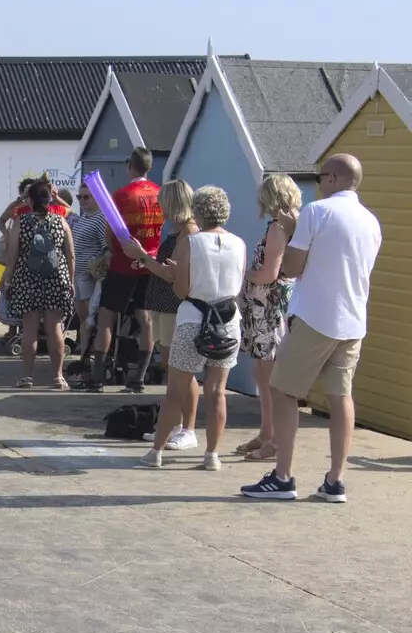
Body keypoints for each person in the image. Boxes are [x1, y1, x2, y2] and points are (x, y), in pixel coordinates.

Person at [243, 154, 382, 502]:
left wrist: (291, 231)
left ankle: (283, 476)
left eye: (321, 177)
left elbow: (290, 268)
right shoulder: (371, 221)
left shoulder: (316, 213)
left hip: (316, 316)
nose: (317, 184)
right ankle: (335, 481)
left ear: (333, 179)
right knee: (341, 397)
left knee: (284, 391)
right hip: (353, 322)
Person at [141, 187, 245, 470]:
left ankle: (156, 452)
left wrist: (178, 272)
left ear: (198, 211)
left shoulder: (191, 242)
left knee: (175, 390)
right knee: (217, 392)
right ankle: (212, 454)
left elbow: (181, 289)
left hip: (193, 318)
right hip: (227, 321)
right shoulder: (239, 243)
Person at [125, 180, 200, 443]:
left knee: (182, 369)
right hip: (165, 307)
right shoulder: (179, 231)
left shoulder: (188, 233)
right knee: (173, 368)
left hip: (174, 307)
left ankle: (188, 429)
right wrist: (147, 257)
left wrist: (144, 257)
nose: (159, 208)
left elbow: (172, 275)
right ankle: (176, 425)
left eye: (162, 203)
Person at [233, 174, 302, 463]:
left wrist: (241, 276)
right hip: (273, 306)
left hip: (267, 308)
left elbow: (270, 274)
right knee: (263, 374)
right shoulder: (296, 224)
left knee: (267, 374)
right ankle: (266, 432)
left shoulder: (277, 228)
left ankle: (272, 438)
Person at [89, 147, 162, 392]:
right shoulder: (159, 194)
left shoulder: (121, 195)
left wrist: (112, 250)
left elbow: (111, 233)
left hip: (122, 263)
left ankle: (98, 377)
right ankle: (139, 377)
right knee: (145, 318)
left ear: (130, 165)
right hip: (149, 262)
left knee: (106, 317)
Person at [3, 175, 74, 389]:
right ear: (49, 201)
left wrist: (8, 282)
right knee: (55, 330)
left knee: (30, 330)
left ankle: (27, 377)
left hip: (27, 280)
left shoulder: (20, 223)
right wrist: (70, 281)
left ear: (31, 201)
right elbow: (70, 255)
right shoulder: (60, 221)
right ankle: (58, 377)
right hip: (56, 280)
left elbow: (12, 256)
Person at [68, 183, 111, 369]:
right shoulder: (85, 217)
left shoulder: (101, 218)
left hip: (88, 275)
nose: (83, 201)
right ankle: (84, 355)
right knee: (83, 317)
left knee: (90, 318)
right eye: (80, 197)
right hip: (78, 274)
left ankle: (90, 356)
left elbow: (107, 248)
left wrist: (97, 270)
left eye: (87, 197)